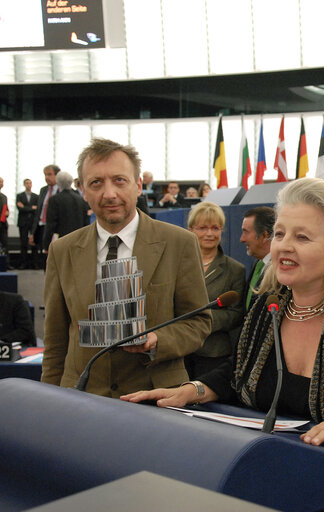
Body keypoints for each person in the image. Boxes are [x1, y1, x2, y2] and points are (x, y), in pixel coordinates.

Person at [122, 178, 324, 510]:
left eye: (302, 237)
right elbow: (241, 371)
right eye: (280, 234)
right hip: (272, 485)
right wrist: (193, 390)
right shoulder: (268, 306)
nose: (284, 246)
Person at [41, 138, 211, 397]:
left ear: (138, 185)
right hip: (80, 398)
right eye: (96, 183)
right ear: (83, 191)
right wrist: (48, 401)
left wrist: (158, 341)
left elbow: (198, 322)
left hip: (155, 397)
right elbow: (55, 341)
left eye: (119, 180)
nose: (109, 194)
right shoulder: (62, 251)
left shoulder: (179, 243)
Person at [185, 201, 246, 378]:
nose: (209, 234)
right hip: (179, 349)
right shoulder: (178, 264)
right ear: (191, 230)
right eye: (203, 228)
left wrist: (201, 321)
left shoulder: (235, 269)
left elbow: (235, 314)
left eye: (215, 228)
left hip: (214, 353)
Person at [43, 171, 90, 248]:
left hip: (62, 240)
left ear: (57, 182)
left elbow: (51, 224)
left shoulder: (54, 200)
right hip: (79, 241)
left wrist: (46, 244)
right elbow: (86, 221)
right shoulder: (80, 199)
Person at [240, 206, 274, 312]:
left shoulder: (280, 271)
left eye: (246, 232)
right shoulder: (258, 264)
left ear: (264, 235)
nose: (242, 239)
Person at [30, 164, 60, 267]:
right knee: (44, 258)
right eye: (45, 175)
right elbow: (38, 212)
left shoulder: (62, 191)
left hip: (56, 229)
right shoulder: (43, 190)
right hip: (42, 226)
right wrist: (33, 232)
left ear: (57, 175)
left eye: (50, 174)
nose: (47, 177)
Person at [16, 179, 39, 269]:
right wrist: (31, 208)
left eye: (30, 183)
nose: (28, 185)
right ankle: (23, 263)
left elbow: (37, 209)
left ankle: (35, 263)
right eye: (27, 183)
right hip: (23, 222)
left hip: (33, 223)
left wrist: (25, 207)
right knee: (23, 243)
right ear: (24, 184)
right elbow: (20, 208)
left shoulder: (36, 196)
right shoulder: (20, 196)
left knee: (34, 243)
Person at [0, 177, 7, 255]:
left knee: (5, 244)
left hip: (3, 224)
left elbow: (5, 208)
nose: (1, 184)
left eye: (2, 182)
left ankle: (6, 263)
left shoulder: (4, 197)